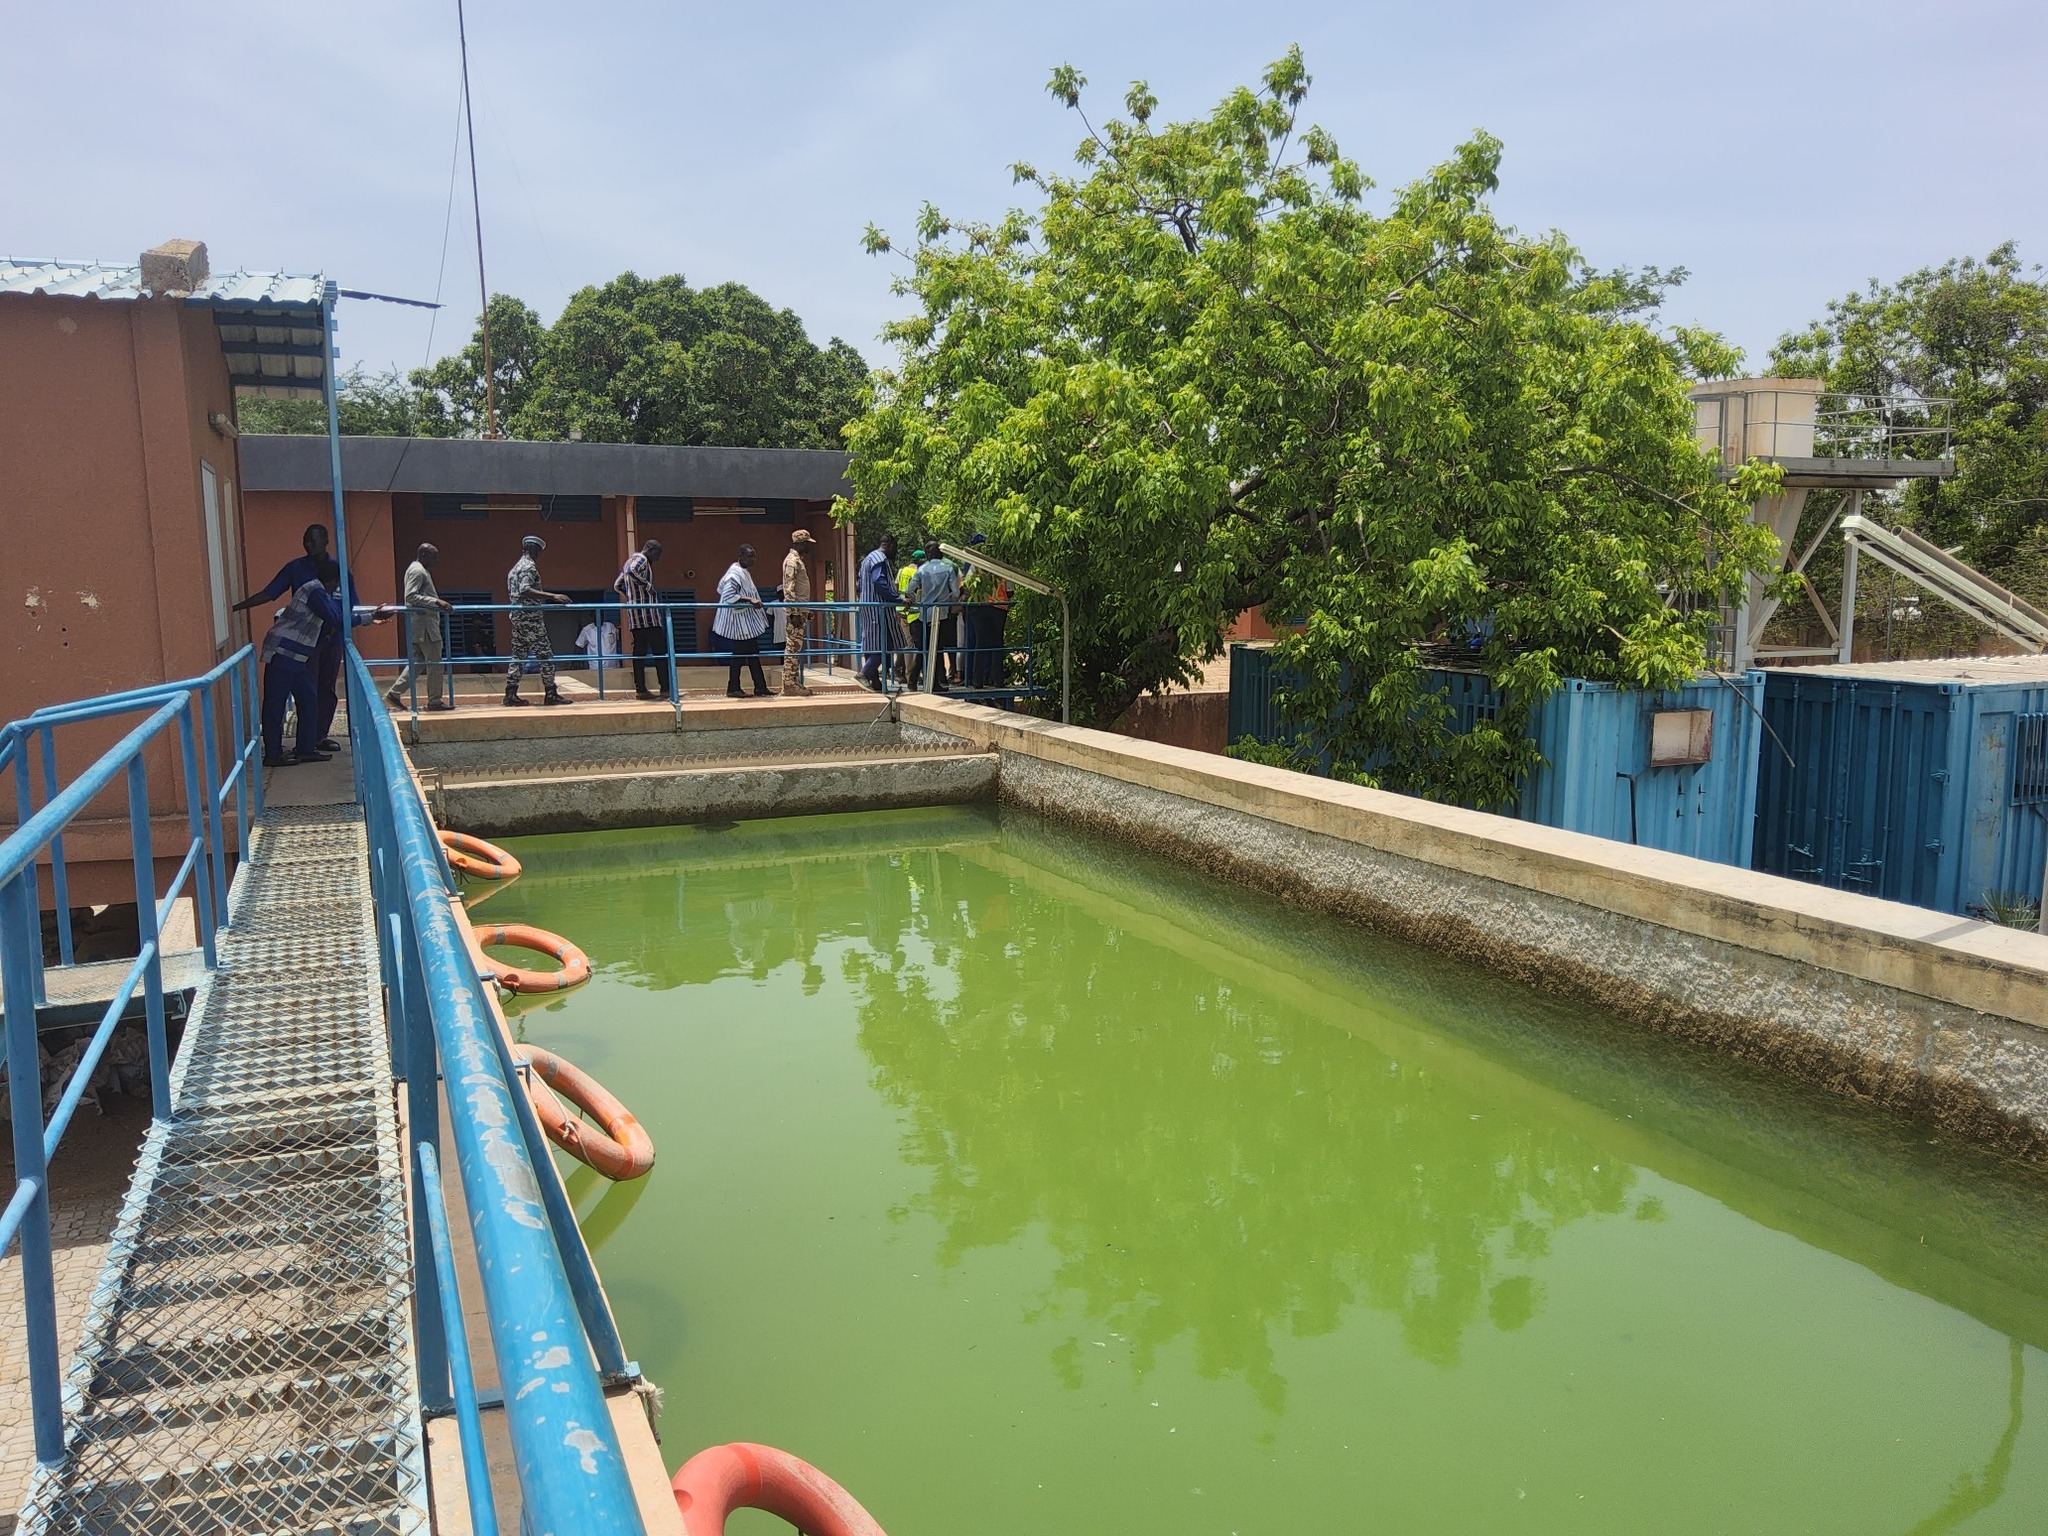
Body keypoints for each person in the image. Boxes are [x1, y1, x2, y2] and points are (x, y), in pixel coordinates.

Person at [233, 522, 352, 751]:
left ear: (326, 542)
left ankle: (311, 743)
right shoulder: (305, 579)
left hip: (320, 642)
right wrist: (235, 608)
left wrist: (357, 619)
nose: (309, 545)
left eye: (314, 541)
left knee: (315, 694)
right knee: (284, 698)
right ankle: (277, 751)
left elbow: (347, 604)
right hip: (294, 647)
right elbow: (270, 593)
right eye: (306, 540)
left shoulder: (335, 571)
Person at [259, 556, 344, 766]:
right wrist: (367, 618)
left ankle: (305, 749)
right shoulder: (315, 592)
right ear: (333, 581)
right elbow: (335, 617)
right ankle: (273, 755)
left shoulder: (317, 590)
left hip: (296, 656)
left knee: (308, 698)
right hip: (283, 652)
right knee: (275, 704)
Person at [504, 534, 573, 706]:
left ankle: (510, 694)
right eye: (539, 552)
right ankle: (551, 693)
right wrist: (553, 596)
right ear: (535, 551)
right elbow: (525, 589)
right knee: (546, 656)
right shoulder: (529, 567)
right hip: (531, 619)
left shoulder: (514, 568)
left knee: (518, 656)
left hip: (518, 618)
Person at [384, 543, 454, 710]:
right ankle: (434, 701)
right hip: (426, 627)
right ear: (423, 555)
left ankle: (394, 693)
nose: (436, 561)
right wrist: (436, 602)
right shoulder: (418, 571)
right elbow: (411, 596)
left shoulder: (418, 569)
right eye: (433, 557)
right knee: (435, 663)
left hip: (421, 626)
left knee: (418, 662)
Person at [713, 543, 773, 698]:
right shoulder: (735, 573)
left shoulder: (742, 572)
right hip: (740, 624)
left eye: (754, 557)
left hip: (746, 623)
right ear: (741, 556)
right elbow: (728, 595)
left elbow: (720, 588)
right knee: (739, 657)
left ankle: (760, 687)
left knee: (753, 656)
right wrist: (749, 600)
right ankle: (733, 688)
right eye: (749, 556)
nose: (752, 560)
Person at [613, 538, 668, 700]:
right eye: (657, 555)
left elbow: (617, 585)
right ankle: (666, 689)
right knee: (661, 653)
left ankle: (641, 690)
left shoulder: (628, 561)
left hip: (635, 619)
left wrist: (632, 598)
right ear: (650, 550)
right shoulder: (641, 560)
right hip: (649, 617)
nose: (657, 559)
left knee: (639, 654)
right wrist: (647, 586)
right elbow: (632, 571)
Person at [907, 545, 963, 690]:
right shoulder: (948, 569)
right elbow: (955, 593)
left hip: (925, 613)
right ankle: (933, 682)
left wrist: (918, 603)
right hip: (941, 614)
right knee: (937, 648)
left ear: (928, 554)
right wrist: (949, 603)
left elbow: (909, 590)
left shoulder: (922, 569)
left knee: (924, 647)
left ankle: (914, 680)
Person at [856, 534, 900, 688]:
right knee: (885, 644)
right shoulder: (880, 559)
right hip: (878, 608)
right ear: (889, 545)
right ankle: (863, 673)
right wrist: (897, 598)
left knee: (871, 643)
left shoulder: (867, 559)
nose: (895, 551)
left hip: (867, 606)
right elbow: (878, 581)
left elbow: (860, 584)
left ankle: (874, 681)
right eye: (895, 547)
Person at [780, 529, 817, 697]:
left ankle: (793, 682)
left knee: (796, 648)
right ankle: (789, 684)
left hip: (801, 611)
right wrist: (794, 612)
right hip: (795, 614)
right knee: (792, 648)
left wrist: (805, 611)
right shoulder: (792, 561)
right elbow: (789, 589)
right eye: (807, 544)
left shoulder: (798, 561)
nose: (809, 547)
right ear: (800, 544)